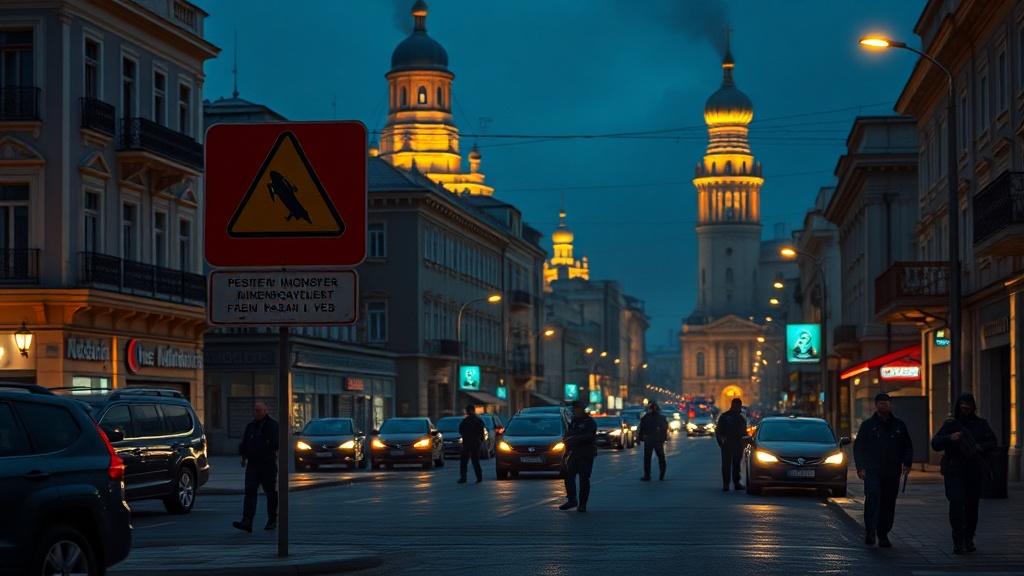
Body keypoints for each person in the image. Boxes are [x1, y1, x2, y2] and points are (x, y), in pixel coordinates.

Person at [931, 393, 996, 554]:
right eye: (962, 404)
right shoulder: (951, 425)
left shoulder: (981, 424)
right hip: (954, 471)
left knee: (972, 507)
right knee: (956, 504)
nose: (965, 408)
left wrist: (980, 447)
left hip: (973, 471)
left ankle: (968, 538)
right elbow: (936, 443)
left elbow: (992, 441)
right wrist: (950, 438)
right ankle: (958, 540)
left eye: (968, 404)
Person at [853, 393, 913, 548]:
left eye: (885, 403)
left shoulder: (899, 425)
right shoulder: (868, 425)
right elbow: (859, 446)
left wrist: (907, 463)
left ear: (890, 405)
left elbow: (907, 446)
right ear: (876, 405)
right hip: (872, 470)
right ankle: (870, 531)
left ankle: (883, 534)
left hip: (892, 471)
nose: (883, 406)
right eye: (880, 403)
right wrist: (860, 467)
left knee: (888, 502)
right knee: (873, 497)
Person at [233, 401, 279, 533]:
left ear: (265, 411)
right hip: (253, 464)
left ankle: (272, 519)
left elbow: (276, 443)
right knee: (250, 491)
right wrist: (243, 455)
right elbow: (245, 441)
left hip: (267, 464)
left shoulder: (272, 425)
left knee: (270, 492)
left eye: (259, 410)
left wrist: (267, 449)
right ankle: (247, 521)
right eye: (255, 410)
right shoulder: (251, 426)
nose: (256, 413)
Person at [560, 401, 597, 513]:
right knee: (568, 476)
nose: (575, 411)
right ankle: (572, 500)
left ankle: (582, 504)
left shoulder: (590, 422)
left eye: (577, 409)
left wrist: (575, 439)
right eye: (574, 409)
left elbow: (589, 436)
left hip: (586, 454)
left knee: (584, 479)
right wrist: (567, 441)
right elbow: (569, 434)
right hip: (573, 453)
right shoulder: (574, 421)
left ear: (581, 409)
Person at [716, 398, 747, 491]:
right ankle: (728, 484)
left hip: (735, 444)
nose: (739, 407)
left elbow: (744, 432)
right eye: (738, 406)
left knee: (735, 464)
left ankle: (734, 483)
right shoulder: (727, 417)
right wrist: (721, 442)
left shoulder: (738, 417)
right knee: (728, 465)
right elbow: (718, 431)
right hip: (730, 443)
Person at [638, 401, 669, 481]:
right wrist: (664, 438)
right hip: (658, 440)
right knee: (661, 458)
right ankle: (661, 474)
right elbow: (665, 429)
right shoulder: (662, 418)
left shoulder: (645, 418)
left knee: (647, 458)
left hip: (649, 440)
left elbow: (642, 429)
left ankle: (647, 475)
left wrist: (640, 438)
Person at [457, 404, 485, 484]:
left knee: (469, 461)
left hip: (470, 443)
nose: (467, 412)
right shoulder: (477, 420)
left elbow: (461, 430)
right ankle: (477, 478)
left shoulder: (468, 420)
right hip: (473, 443)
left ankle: (464, 478)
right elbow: (482, 433)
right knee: (473, 461)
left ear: (471, 410)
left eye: (467, 410)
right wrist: (480, 441)